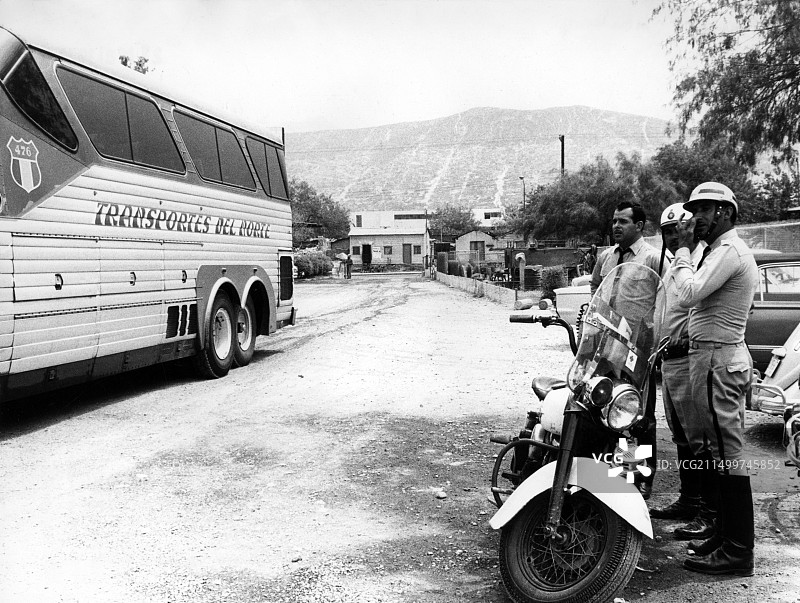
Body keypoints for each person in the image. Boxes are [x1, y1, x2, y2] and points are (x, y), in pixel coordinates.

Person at [673, 182, 759, 576]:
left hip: (718, 362)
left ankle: (738, 551)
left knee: (728, 454)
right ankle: (724, 536)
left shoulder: (727, 251)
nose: (695, 218)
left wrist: (683, 251)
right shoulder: (718, 251)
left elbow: (688, 293)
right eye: (695, 210)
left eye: (704, 210)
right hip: (710, 359)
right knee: (714, 451)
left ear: (724, 212)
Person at [649, 204, 716, 541]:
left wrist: (684, 341)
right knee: (680, 434)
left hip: (689, 359)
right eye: (668, 231)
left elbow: (702, 309)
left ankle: (708, 511)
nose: (675, 236)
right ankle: (689, 500)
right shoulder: (672, 264)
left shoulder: (702, 261)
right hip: (668, 362)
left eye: (681, 229)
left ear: (693, 230)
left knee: (699, 437)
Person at [590, 200, 662, 499]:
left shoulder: (654, 259)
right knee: (603, 407)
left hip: (637, 351)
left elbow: (663, 301)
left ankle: (636, 478)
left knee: (636, 415)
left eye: (623, 221)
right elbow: (596, 289)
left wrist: (654, 343)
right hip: (606, 348)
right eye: (614, 221)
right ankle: (606, 475)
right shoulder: (606, 257)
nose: (616, 226)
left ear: (640, 226)